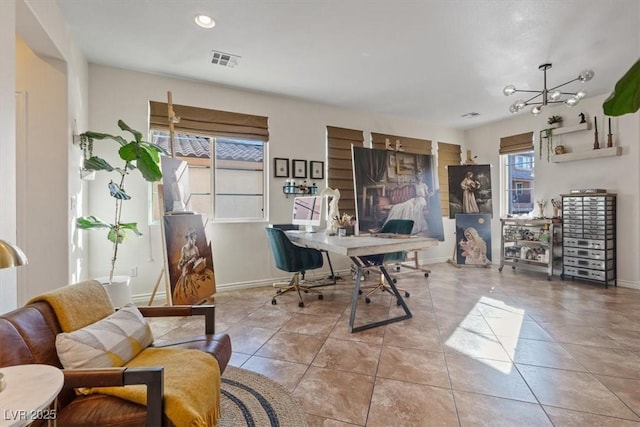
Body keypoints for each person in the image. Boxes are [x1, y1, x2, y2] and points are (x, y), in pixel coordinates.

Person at [173, 227, 215, 304]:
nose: (195, 241)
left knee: (207, 277)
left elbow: (198, 259)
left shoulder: (195, 248)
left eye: (196, 239)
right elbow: (180, 263)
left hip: (195, 270)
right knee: (188, 288)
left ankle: (206, 296)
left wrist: (199, 262)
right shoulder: (184, 249)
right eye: (194, 239)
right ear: (190, 238)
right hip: (188, 272)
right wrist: (184, 262)